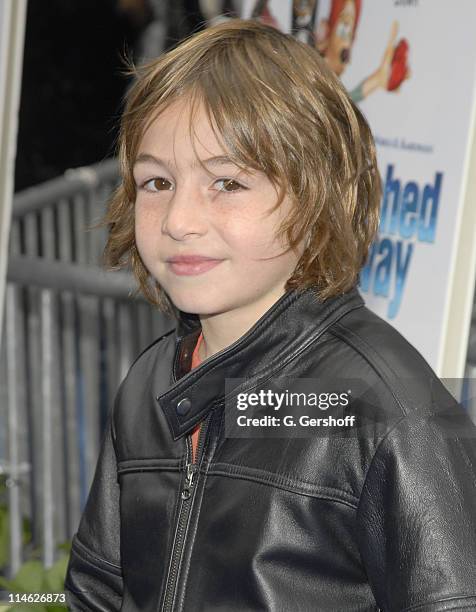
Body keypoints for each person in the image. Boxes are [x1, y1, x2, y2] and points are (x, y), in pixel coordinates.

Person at [64, 18, 476, 611]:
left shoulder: (383, 407)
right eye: (157, 181)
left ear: (317, 198)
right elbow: (97, 590)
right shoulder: (150, 384)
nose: (179, 219)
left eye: (227, 183)